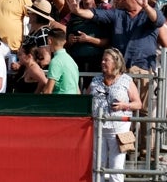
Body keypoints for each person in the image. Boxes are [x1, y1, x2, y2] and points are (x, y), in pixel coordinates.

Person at [88, 48, 142, 182]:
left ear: (116, 63)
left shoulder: (126, 80)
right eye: (102, 59)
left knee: (116, 169)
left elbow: (138, 104)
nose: (102, 62)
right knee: (96, 167)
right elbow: (85, 99)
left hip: (119, 131)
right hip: (98, 130)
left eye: (106, 60)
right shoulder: (96, 80)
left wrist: (125, 105)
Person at [41, 28, 80, 94]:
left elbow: (48, 91)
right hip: (73, 102)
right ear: (64, 41)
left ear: (49, 41)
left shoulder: (55, 61)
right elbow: (77, 90)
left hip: (60, 102)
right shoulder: (71, 61)